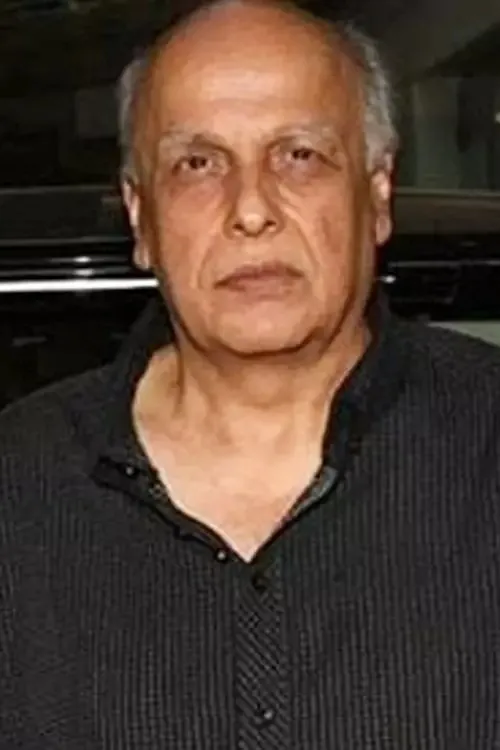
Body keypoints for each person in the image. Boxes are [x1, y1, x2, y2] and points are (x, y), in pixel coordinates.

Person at [1, 0, 500, 746]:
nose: (252, 209)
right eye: (197, 164)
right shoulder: (18, 487)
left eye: (299, 155)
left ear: (378, 194)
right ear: (141, 218)